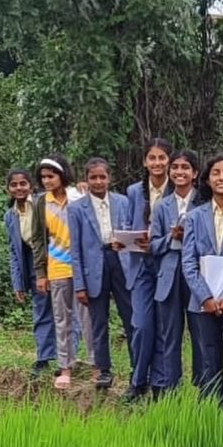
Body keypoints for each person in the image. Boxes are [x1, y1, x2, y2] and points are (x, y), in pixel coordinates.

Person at [181, 152, 223, 406]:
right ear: (208, 180)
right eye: (216, 173)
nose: (221, 177)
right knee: (208, 364)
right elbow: (188, 262)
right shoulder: (195, 217)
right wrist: (206, 296)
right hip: (203, 305)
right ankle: (213, 420)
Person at [69, 158, 133, 390]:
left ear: (109, 178)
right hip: (93, 268)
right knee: (99, 321)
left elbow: (132, 233)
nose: (98, 181)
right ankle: (103, 369)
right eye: (93, 177)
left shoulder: (123, 202)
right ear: (86, 179)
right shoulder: (76, 209)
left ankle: (137, 367)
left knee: (131, 317)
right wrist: (79, 285)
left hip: (120, 262)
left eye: (102, 177)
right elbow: (75, 249)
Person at [31, 154, 94, 390]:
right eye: (43, 177)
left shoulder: (77, 196)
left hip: (82, 265)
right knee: (62, 318)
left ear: (62, 175)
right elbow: (38, 238)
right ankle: (65, 365)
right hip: (56, 265)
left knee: (88, 316)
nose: (47, 180)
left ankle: (96, 363)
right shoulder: (40, 202)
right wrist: (40, 272)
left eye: (51, 176)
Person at [124, 137, 173, 402]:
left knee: (165, 326)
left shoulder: (177, 189)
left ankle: (160, 383)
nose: (157, 163)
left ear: (169, 161)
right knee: (142, 325)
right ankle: (138, 379)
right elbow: (127, 223)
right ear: (145, 161)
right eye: (152, 158)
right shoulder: (134, 191)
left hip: (166, 262)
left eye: (162, 158)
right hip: (140, 264)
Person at [149, 149, 200, 396]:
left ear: (195, 173)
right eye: (176, 168)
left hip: (196, 277)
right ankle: (171, 388)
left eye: (185, 168)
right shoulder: (162, 206)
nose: (180, 172)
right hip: (168, 277)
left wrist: (188, 235)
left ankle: (204, 388)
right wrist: (171, 237)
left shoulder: (203, 202)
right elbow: (152, 245)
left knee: (201, 336)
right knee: (170, 336)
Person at [4, 168, 56, 377]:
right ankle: (43, 358)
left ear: (31, 186)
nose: (19, 188)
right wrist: (18, 282)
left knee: (65, 313)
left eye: (23, 184)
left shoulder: (44, 203)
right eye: (14, 185)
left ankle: (67, 359)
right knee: (41, 313)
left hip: (57, 265)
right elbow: (14, 251)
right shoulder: (10, 216)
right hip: (35, 270)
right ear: (8, 189)